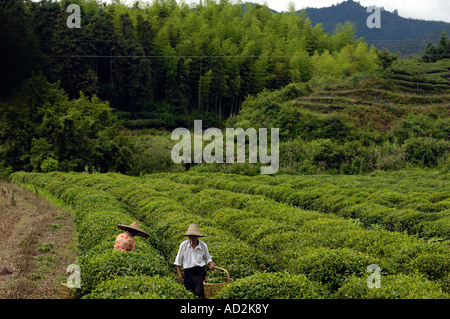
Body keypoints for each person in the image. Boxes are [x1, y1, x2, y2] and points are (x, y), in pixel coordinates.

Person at [174, 224, 215, 298]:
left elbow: (207, 258)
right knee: (189, 292)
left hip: (200, 271)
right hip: (188, 272)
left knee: (199, 292)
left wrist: (211, 264)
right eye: (190, 236)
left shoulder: (203, 245)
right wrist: (179, 273)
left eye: (194, 236)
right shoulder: (183, 245)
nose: (192, 238)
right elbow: (178, 260)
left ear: (197, 236)